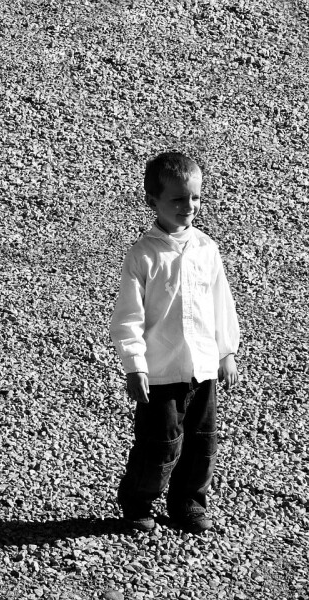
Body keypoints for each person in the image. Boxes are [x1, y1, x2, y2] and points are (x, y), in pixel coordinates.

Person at [110, 151, 240, 533]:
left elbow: (221, 304)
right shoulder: (144, 256)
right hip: (161, 373)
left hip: (202, 369)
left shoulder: (206, 249)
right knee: (159, 446)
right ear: (153, 201)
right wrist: (134, 365)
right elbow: (128, 317)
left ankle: (188, 502)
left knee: (202, 443)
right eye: (178, 199)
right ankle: (137, 501)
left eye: (195, 198)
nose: (189, 206)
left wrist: (226, 351)